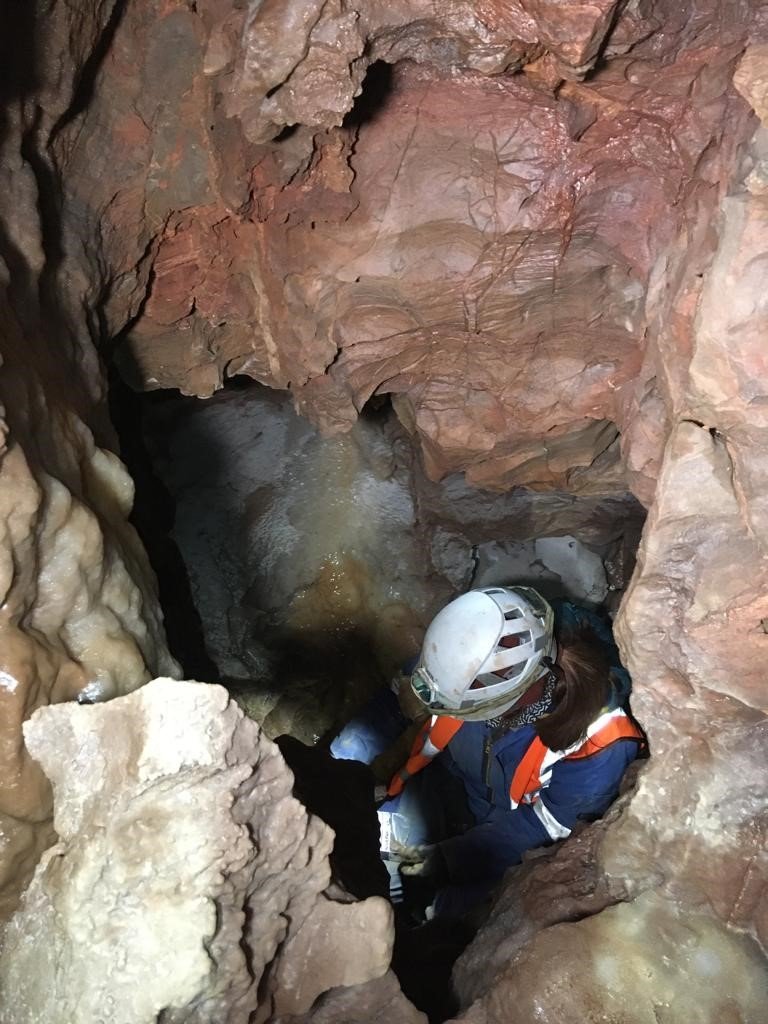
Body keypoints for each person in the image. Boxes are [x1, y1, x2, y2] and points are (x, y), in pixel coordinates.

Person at [331, 585, 646, 918]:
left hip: (507, 834)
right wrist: (336, 761)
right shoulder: (474, 639)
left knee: (441, 911)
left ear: (502, 703)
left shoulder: (600, 747)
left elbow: (538, 831)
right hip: (448, 786)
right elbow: (399, 701)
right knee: (369, 847)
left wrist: (439, 864)